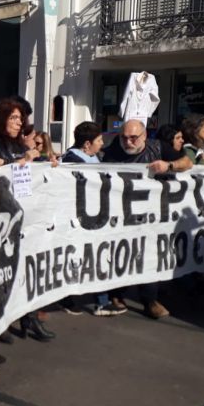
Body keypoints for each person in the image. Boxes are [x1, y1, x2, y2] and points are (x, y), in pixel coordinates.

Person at [0, 98, 55, 341]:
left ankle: (29, 319)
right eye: (13, 117)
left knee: (24, 267)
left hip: (22, 209)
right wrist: (22, 160)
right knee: (1, 270)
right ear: (2, 119)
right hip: (1, 213)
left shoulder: (17, 142)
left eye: (20, 118)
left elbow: (24, 170)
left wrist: (46, 164)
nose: (18, 122)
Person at [102, 119, 192, 319]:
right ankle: (117, 295)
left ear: (144, 136)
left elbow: (187, 162)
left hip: (154, 215)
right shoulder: (112, 152)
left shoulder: (160, 148)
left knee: (150, 255)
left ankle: (150, 300)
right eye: (124, 137)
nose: (128, 142)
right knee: (121, 254)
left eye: (133, 138)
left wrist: (169, 165)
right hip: (123, 214)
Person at [60, 122, 128, 316]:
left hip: (95, 217)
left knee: (97, 257)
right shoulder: (72, 160)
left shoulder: (91, 157)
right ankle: (68, 297)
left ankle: (101, 301)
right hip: (80, 219)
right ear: (87, 144)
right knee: (80, 259)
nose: (101, 144)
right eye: (99, 140)